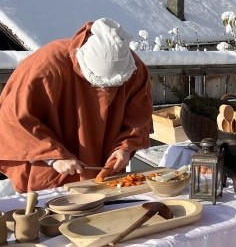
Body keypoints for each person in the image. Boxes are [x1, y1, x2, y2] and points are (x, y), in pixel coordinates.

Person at [0, 18, 153, 193]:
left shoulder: (135, 69)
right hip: (50, 165)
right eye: (97, 83)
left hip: (104, 164)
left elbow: (138, 119)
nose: (105, 91)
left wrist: (125, 148)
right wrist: (54, 157)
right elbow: (14, 119)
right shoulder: (47, 65)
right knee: (51, 211)